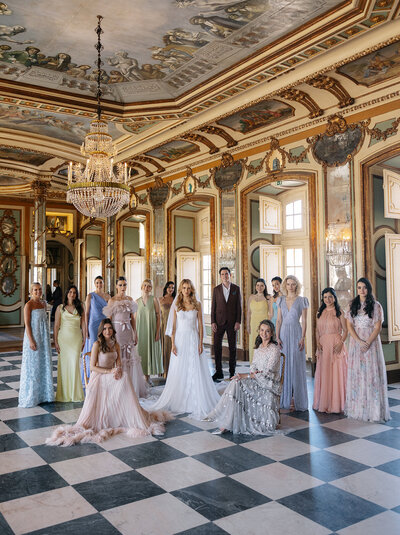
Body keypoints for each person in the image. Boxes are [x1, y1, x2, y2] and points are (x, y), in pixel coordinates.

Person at [46, 319, 171, 446]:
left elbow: (119, 364)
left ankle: (127, 415)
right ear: (101, 331)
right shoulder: (96, 345)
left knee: (125, 377)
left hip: (112, 374)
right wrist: (109, 371)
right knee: (121, 380)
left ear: (113, 330)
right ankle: (112, 415)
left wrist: (118, 371)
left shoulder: (115, 344)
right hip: (100, 376)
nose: (107, 331)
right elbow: (92, 367)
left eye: (110, 328)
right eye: (105, 329)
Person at [148, 279, 220, 420]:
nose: (186, 290)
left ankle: (194, 398)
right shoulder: (177, 305)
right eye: (184, 288)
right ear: (180, 290)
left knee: (194, 368)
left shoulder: (197, 304)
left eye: (188, 288)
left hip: (193, 339)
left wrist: (201, 344)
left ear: (191, 289)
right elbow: (173, 327)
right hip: (180, 340)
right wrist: (173, 344)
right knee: (180, 368)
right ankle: (180, 398)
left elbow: (200, 326)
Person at [207, 320, 282, 435]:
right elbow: (253, 366)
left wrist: (248, 375)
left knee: (239, 380)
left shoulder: (275, 349)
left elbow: (267, 372)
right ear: (259, 331)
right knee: (236, 382)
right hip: (257, 379)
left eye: (267, 331)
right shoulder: (258, 347)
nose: (264, 333)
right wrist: (252, 373)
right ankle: (229, 421)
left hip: (269, 384)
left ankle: (229, 421)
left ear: (272, 333)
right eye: (262, 330)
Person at [345, 278, 390, 422]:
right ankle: (358, 409)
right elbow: (349, 326)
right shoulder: (352, 305)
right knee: (357, 374)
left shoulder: (376, 306)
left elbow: (377, 327)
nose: (362, 290)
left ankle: (374, 411)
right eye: (359, 287)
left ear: (368, 289)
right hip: (356, 343)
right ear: (356, 289)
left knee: (371, 375)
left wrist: (368, 342)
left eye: (364, 287)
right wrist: (359, 342)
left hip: (371, 343)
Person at [103, 277, 147, 398]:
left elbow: (132, 318)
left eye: (125, 285)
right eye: (121, 285)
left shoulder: (130, 300)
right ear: (116, 286)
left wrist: (135, 333)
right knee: (118, 356)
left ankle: (131, 387)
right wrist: (108, 335)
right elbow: (109, 320)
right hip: (117, 332)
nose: (123, 287)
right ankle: (118, 386)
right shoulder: (112, 301)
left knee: (130, 357)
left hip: (127, 332)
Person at [276, 275, 309, 411]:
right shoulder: (280, 300)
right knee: (284, 366)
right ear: (285, 285)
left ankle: (296, 398)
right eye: (288, 284)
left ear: (297, 285)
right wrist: (277, 337)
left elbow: (305, 321)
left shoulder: (302, 301)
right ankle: (285, 398)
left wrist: (303, 338)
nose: (290, 286)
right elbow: (278, 320)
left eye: (293, 284)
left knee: (295, 365)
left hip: (296, 333)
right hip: (283, 334)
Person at [19, 283, 54, 408]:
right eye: (35, 290)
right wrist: (31, 340)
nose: (38, 292)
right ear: (31, 291)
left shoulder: (43, 304)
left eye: (39, 289)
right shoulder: (28, 305)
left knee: (42, 364)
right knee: (33, 366)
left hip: (43, 337)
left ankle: (44, 395)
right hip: (33, 337)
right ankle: (32, 395)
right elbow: (27, 325)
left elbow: (44, 321)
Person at [313, 288, 348, 414]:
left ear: (334, 298)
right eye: (325, 297)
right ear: (322, 298)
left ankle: (337, 404)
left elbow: (346, 330)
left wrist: (341, 343)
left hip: (336, 344)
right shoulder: (320, 312)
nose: (327, 299)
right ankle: (325, 402)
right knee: (325, 373)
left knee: (336, 373)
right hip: (323, 345)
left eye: (330, 297)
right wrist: (317, 343)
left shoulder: (340, 312)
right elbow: (317, 330)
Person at [54, 285, 85, 403]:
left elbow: (83, 324)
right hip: (64, 340)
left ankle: (75, 393)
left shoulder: (81, 306)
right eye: (70, 292)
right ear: (67, 293)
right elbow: (56, 325)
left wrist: (84, 340)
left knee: (74, 364)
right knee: (64, 365)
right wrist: (55, 341)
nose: (72, 294)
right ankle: (64, 395)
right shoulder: (60, 308)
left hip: (76, 339)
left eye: (74, 293)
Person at [211, 267, 242, 381]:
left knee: (232, 348)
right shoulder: (216, 290)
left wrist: (238, 321)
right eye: (223, 274)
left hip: (232, 322)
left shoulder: (236, 289)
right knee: (217, 347)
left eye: (226, 274)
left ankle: (232, 372)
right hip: (218, 322)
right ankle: (219, 372)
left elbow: (239, 306)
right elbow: (213, 307)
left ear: (230, 275)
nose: (225, 276)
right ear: (220, 276)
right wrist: (213, 322)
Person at [82, 276, 110, 384]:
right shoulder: (90, 296)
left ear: (103, 283)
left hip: (104, 324)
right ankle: (91, 374)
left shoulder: (107, 296)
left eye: (101, 282)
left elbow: (109, 312)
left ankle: (102, 372)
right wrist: (86, 329)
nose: (99, 284)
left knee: (103, 347)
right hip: (93, 325)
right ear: (94, 284)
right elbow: (87, 313)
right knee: (94, 347)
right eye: (97, 282)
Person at [136, 279, 163, 382]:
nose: (146, 288)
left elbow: (159, 316)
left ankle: (148, 378)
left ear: (151, 288)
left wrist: (157, 333)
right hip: (140, 331)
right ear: (142, 287)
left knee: (149, 352)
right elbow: (134, 319)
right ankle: (142, 377)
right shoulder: (137, 301)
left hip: (151, 330)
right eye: (145, 286)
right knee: (141, 352)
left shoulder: (155, 300)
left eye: (149, 286)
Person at [247, 278, 272, 363]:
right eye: (257, 285)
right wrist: (247, 325)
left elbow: (271, 313)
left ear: (264, 287)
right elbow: (248, 312)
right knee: (253, 345)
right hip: (253, 325)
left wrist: (268, 327)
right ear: (255, 286)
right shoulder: (251, 297)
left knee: (263, 345)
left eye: (261, 285)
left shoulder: (268, 298)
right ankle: (253, 367)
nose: (259, 287)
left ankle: (262, 366)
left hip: (264, 326)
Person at [159, 281, 176, 377]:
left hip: (174, 327)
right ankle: (165, 371)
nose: (171, 289)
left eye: (173, 287)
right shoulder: (160, 300)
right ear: (165, 288)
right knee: (165, 349)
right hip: (163, 326)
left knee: (172, 348)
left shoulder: (176, 300)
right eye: (169, 287)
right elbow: (157, 315)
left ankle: (173, 371)